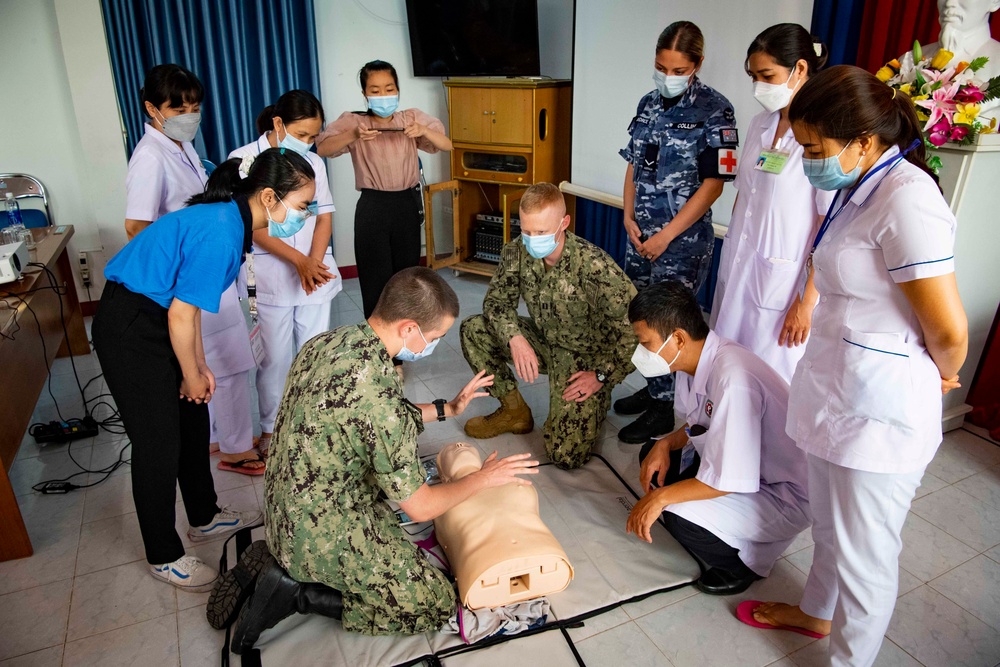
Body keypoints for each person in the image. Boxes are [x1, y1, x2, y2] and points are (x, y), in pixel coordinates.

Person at [737, 66, 968, 667]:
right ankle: (817, 612)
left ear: (863, 141)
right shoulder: (856, 187)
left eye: (815, 148)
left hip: (880, 411)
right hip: (840, 393)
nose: (809, 159)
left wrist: (944, 371)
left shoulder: (909, 200)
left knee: (866, 555)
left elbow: (947, 328)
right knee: (831, 526)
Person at [231, 267, 537, 640]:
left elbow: (371, 417)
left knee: (394, 541)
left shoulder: (329, 343)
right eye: (435, 336)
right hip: (313, 532)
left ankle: (285, 563)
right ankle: (297, 593)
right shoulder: (377, 398)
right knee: (433, 602)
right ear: (409, 328)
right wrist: (482, 479)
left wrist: (449, 408)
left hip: (284, 509)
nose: (433, 344)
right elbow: (420, 506)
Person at [93, 147, 316, 590]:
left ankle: (204, 516)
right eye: (303, 204)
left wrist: (196, 367)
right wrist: (191, 371)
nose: (305, 215)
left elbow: (187, 310)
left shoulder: (229, 222)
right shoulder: (220, 231)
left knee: (193, 418)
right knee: (157, 441)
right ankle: (163, 554)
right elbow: (179, 313)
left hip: (159, 318)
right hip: (132, 327)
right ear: (269, 198)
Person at [624, 282, 810, 595]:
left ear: (678, 338)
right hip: (745, 465)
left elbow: (727, 479)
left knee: (675, 514)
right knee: (653, 456)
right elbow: (700, 424)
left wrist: (661, 498)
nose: (641, 352)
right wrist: (666, 443)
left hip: (782, 493)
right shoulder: (691, 360)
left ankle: (743, 565)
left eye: (646, 343)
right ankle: (682, 493)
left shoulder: (734, 379)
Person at [123, 64, 260, 473]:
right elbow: (136, 226)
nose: (189, 115)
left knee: (218, 363)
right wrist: (176, 276)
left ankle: (222, 438)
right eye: (177, 107)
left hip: (203, 270)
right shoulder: (150, 157)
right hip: (190, 277)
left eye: (194, 106)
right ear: (151, 108)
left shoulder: (180, 147)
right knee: (229, 364)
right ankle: (235, 449)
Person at [616, 21, 739, 444]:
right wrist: (628, 217)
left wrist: (666, 235)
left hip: (680, 244)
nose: (666, 76)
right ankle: (652, 392)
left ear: (696, 64)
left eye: (675, 69)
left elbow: (714, 184)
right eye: (660, 66)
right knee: (640, 319)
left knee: (668, 327)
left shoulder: (715, 110)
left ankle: (664, 408)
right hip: (639, 236)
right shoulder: (648, 103)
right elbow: (632, 165)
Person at [459, 183, 638, 469]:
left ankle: (598, 399)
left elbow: (635, 330)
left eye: (541, 232)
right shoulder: (516, 251)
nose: (531, 240)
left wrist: (601, 375)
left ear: (564, 223)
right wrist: (515, 338)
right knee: (474, 330)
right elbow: (496, 305)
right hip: (543, 339)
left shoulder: (594, 266)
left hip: (585, 358)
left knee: (564, 457)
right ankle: (514, 410)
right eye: (527, 231)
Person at [711, 24, 833, 383]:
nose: (758, 86)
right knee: (727, 366)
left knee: (768, 378)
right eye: (753, 77)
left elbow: (828, 225)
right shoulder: (760, 123)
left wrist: (806, 302)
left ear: (799, 69)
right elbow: (744, 196)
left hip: (783, 283)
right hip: (739, 265)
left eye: (767, 75)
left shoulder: (822, 132)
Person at [230, 89, 341, 458]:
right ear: (279, 123)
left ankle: (313, 423)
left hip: (314, 271)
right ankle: (272, 430)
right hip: (270, 275)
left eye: (314, 136)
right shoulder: (243, 161)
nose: (309, 143)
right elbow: (251, 225)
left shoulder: (314, 162)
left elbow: (324, 213)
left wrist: (312, 261)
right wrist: (298, 261)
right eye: (304, 134)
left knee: (315, 355)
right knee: (274, 360)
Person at [316, 59, 453, 322]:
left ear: (398, 89)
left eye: (389, 88)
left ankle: (402, 346)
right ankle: (380, 347)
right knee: (374, 279)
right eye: (375, 90)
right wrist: (354, 135)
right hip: (373, 206)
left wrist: (422, 130)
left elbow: (446, 145)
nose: (383, 95)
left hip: (406, 205)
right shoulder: (354, 121)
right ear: (364, 94)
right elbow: (323, 149)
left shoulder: (411, 118)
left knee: (407, 278)